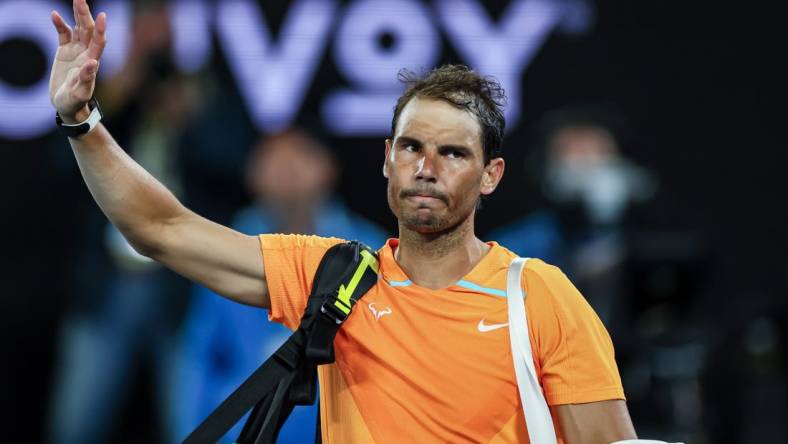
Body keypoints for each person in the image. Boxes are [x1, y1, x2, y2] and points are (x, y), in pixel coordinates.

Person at [48, 1, 638, 441]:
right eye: (411, 147)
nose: (427, 168)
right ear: (387, 160)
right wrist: (83, 122)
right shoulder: (335, 277)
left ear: (491, 175)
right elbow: (161, 228)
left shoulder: (539, 296)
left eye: (454, 153)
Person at [173, 129, 388, 443]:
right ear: (251, 173)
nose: (286, 166)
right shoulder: (226, 248)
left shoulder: (373, 253)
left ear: (329, 168)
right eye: (272, 155)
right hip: (242, 432)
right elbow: (196, 356)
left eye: (301, 153)